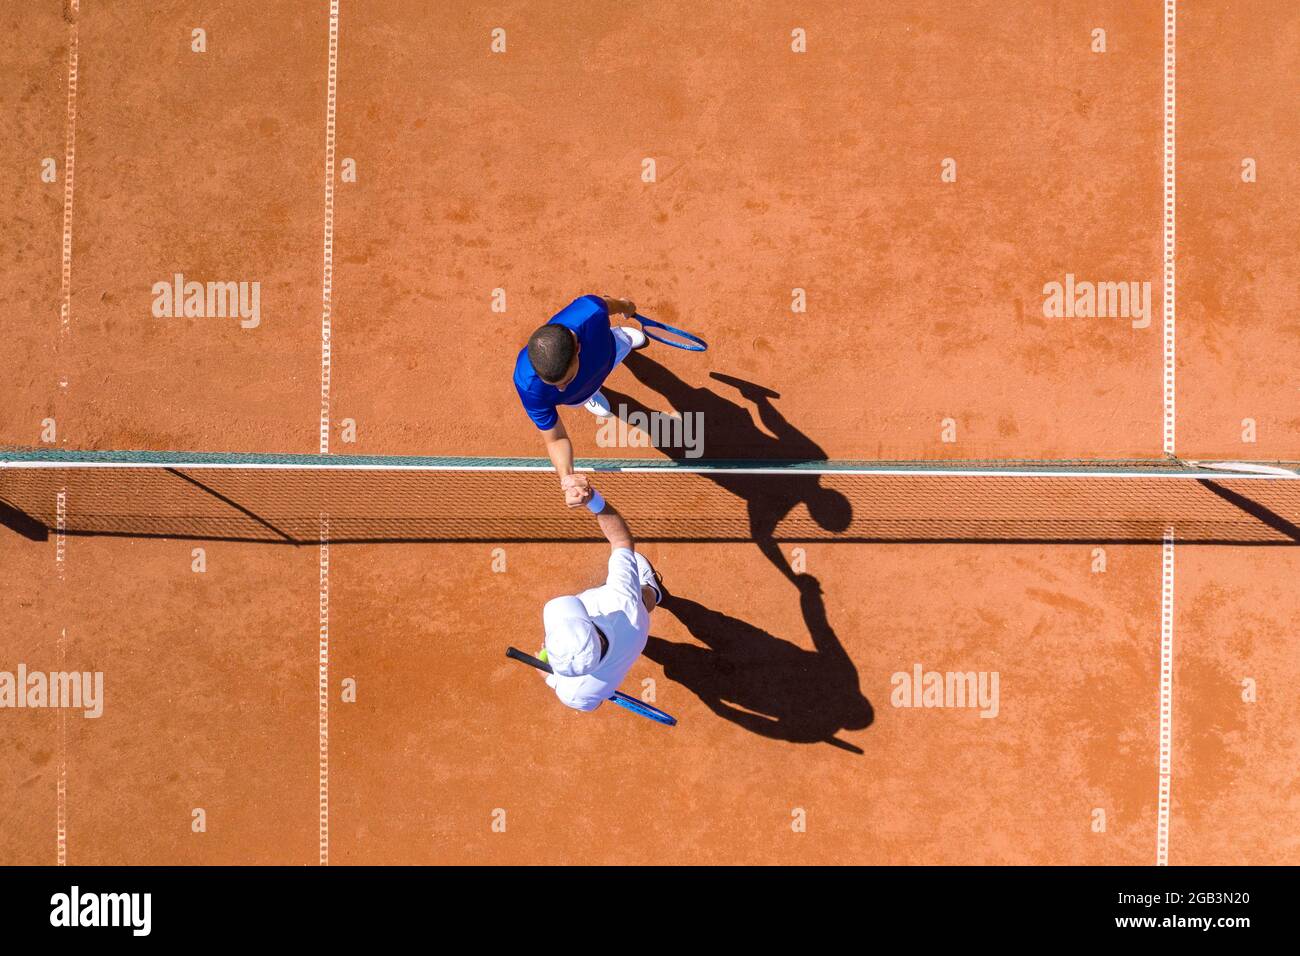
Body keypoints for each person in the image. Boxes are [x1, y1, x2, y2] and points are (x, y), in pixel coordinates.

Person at [537, 481, 662, 712]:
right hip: (633, 618)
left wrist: (549, 677)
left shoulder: (575, 695)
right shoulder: (620, 601)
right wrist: (593, 500)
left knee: (637, 603)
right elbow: (621, 541)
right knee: (643, 597)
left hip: (633, 642)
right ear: (592, 631)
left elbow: (590, 704)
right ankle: (653, 589)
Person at [513, 295, 646, 508]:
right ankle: (589, 397)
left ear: (577, 349)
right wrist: (567, 479)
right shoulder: (529, 386)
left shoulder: (590, 311)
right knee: (580, 394)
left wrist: (626, 306)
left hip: (608, 353)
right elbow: (555, 439)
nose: (561, 390)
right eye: (554, 384)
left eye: (565, 380)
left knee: (623, 343)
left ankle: (622, 337)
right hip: (579, 396)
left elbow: (611, 304)